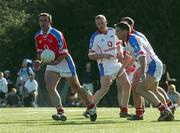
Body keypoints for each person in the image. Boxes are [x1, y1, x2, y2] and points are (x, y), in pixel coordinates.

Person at [34, 12, 91, 121]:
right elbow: (40, 52)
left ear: (50, 22)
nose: (43, 23)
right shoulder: (37, 35)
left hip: (64, 62)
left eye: (45, 20)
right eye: (41, 20)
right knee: (50, 87)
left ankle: (91, 106)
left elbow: (64, 52)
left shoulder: (57, 34)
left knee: (76, 87)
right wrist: (39, 62)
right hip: (52, 63)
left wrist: (56, 62)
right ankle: (61, 112)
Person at [114, 22, 174, 121]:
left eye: (117, 31)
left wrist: (142, 73)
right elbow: (132, 57)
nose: (116, 34)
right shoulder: (127, 40)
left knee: (140, 89)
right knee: (152, 90)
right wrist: (124, 68)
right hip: (153, 65)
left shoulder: (132, 39)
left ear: (124, 31)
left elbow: (142, 55)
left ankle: (165, 111)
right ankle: (167, 112)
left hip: (152, 65)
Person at [86, 14, 131, 121]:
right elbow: (90, 55)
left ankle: (124, 110)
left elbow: (118, 43)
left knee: (127, 85)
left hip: (116, 64)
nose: (100, 26)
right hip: (105, 66)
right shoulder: (95, 37)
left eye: (102, 23)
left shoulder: (113, 31)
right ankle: (89, 108)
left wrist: (120, 52)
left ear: (106, 22)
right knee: (104, 89)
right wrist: (103, 55)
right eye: (98, 24)